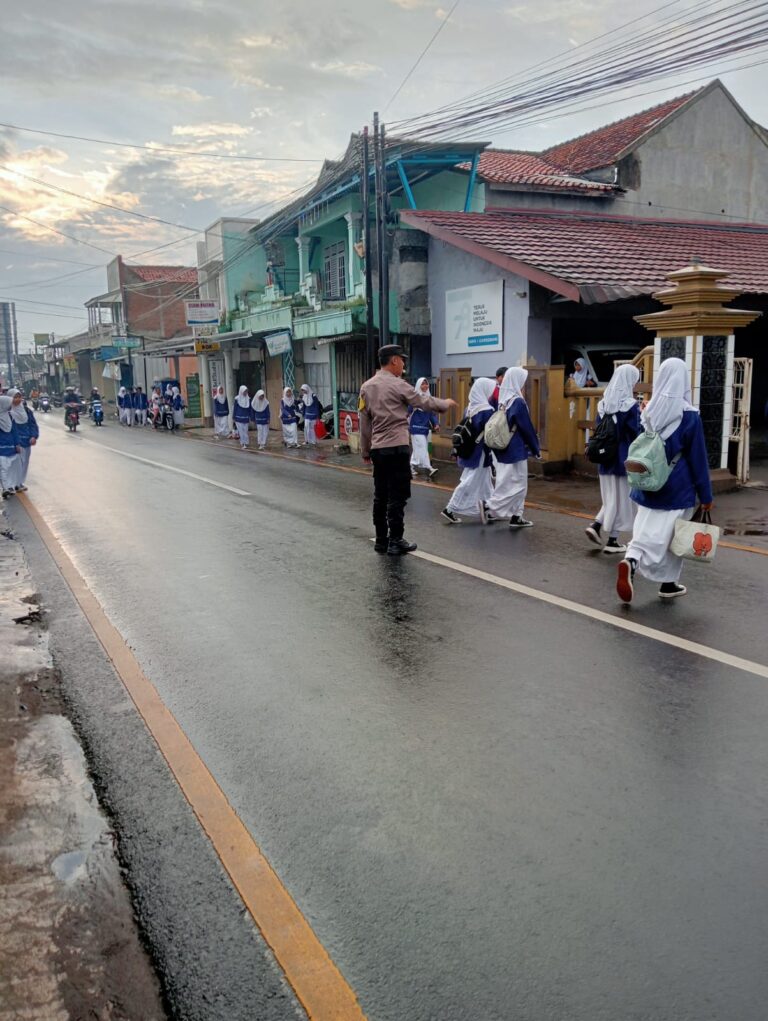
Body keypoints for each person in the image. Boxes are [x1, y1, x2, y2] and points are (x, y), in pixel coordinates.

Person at [616, 357, 713, 604]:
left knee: (646, 529)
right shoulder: (690, 416)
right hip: (676, 488)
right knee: (670, 538)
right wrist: (706, 496)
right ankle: (643, 567)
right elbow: (698, 459)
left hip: (647, 483)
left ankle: (644, 567)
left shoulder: (649, 411)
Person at [359, 344, 455, 555]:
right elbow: (423, 401)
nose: (403, 364)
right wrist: (445, 404)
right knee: (398, 495)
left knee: (380, 495)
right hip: (397, 447)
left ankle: (381, 540)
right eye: (402, 360)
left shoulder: (366, 387)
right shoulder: (398, 385)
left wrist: (365, 450)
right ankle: (396, 540)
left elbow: (364, 423)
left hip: (378, 449)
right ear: (394, 360)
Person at [585, 364, 642, 554]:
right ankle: (613, 540)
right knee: (621, 500)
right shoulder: (630, 406)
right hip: (622, 459)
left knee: (611, 498)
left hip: (605, 460)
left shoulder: (603, 404)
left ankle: (596, 525)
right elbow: (636, 433)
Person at [479, 366, 541, 529]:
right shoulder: (518, 401)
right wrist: (536, 448)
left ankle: (516, 515)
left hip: (503, 447)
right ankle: (490, 506)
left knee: (507, 482)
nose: (524, 384)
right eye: (522, 380)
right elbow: (526, 427)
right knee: (519, 485)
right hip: (516, 449)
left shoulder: (504, 400)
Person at [441, 377, 495, 524]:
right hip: (480, 452)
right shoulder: (487, 411)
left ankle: (488, 509)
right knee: (470, 480)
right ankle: (450, 508)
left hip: (469, 450)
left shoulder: (470, 408)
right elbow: (491, 433)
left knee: (484, 481)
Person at [7, 389, 38, 492]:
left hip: (27, 441)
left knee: (24, 463)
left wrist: (34, 436)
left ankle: (19, 483)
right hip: (14, 443)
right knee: (15, 464)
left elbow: (32, 424)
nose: (17, 399)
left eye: (19, 397)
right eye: (15, 397)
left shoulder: (27, 410)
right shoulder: (6, 412)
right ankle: (11, 484)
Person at [408, 378, 440, 480]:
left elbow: (432, 414)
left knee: (419, 448)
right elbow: (407, 411)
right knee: (423, 448)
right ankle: (429, 468)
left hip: (425, 428)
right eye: (422, 384)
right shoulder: (414, 398)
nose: (425, 386)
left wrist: (436, 424)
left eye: (426, 384)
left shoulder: (429, 399)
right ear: (418, 386)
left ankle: (410, 466)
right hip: (415, 428)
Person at [0, 394, 21, 498]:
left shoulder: (10, 416)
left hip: (11, 446)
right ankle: (5, 488)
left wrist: (17, 444)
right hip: (1, 448)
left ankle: (10, 486)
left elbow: (14, 431)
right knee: (3, 468)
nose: (10, 405)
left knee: (11, 467)